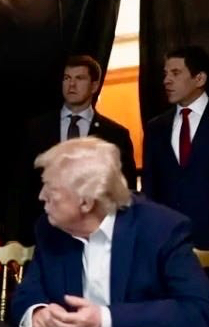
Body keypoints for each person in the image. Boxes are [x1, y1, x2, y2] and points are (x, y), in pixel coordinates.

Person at [8, 137, 209, 327]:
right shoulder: (50, 228)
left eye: (51, 189)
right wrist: (38, 313)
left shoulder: (161, 229)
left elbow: (199, 312)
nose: (41, 196)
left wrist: (104, 320)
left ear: (86, 203)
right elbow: (27, 294)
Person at [10, 55, 136, 244]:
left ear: (94, 85)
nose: (71, 84)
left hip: (95, 236)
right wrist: (14, 236)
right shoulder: (37, 128)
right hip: (44, 233)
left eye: (79, 78)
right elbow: (20, 185)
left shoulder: (115, 135)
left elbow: (125, 191)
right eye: (67, 78)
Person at [143, 45, 209, 249]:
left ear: (199, 78)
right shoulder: (156, 128)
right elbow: (150, 189)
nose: (166, 80)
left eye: (175, 73)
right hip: (169, 245)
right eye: (165, 74)